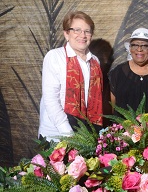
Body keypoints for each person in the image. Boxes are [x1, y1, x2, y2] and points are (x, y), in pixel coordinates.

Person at [39, 11, 103, 141]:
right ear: (66, 34)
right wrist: (69, 135)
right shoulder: (55, 57)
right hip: (57, 134)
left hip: (86, 134)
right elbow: (51, 100)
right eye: (77, 30)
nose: (82, 35)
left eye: (87, 31)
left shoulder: (95, 61)